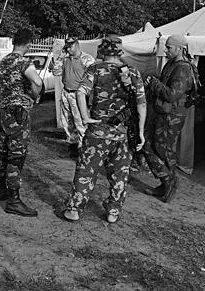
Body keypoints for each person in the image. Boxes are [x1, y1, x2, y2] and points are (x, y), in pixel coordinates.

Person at [63, 35, 146, 223]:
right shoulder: (133, 72)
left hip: (97, 132)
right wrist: (140, 132)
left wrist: (85, 118)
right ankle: (113, 212)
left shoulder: (95, 69)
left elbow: (80, 92)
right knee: (120, 174)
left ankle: (75, 210)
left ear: (102, 51)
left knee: (86, 171)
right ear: (120, 51)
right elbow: (141, 104)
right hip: (123, 134)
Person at [0, 28, 43, 217]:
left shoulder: (4, 61)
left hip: (5, 110)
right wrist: (33, 98)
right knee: (16, 155)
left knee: (3, 151)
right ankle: (14, 201)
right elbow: (38, 82)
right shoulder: (23, 62)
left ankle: (1, 189)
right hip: (19, 111)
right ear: (28, 44)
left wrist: (1, 98)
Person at [142, 34, 198, 203]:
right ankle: (165, 183)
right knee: (155, 147)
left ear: (179, 48)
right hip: (162, 114)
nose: (165, 50)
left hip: (171, 117)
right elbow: (165, 84)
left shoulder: (183, 69)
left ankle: (169, 183)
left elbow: (172, 95)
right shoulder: (171, 64)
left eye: (169, 47)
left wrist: (154, 83)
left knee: (164, 150)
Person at [52, 37, 95, 158]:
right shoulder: (65, 59)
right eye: (67, 47)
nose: (69, 49)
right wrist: (60, 57)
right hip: (66, 92)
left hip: (79, 94)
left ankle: (84, 147)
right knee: (67, 121)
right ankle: (73, 144)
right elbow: (56, 72)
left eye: (71, 46)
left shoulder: (87, 59)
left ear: (76, 45)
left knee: (80, 121)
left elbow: (93, 78)